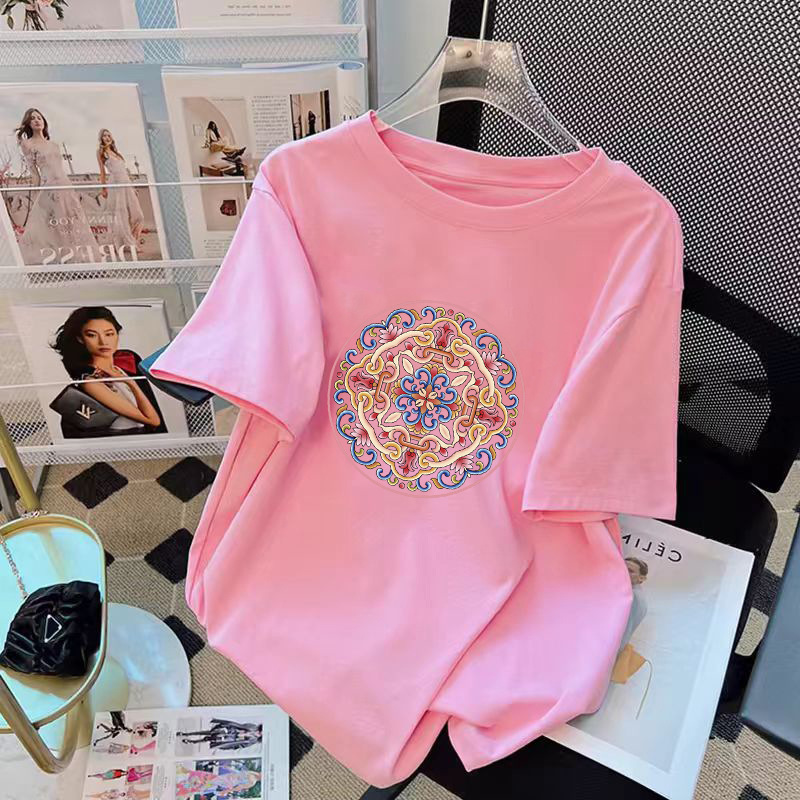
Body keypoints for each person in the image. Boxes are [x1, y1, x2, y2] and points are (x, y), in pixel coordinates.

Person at [50, 306, 166, 438]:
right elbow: (153, 421)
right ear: (80, 339)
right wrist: (130, 383)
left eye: (109, 334)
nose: (103, 341)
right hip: (124, 440)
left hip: (144, 439)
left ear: (117, 335)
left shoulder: (123, 366)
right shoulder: (91, 381)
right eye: (92, 335)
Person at [15, 107, 100, 265]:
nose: (36, 120)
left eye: (39, 117)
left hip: (65, 186)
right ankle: (66, 261)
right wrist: (35, 196)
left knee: (73, 222)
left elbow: (60, 168)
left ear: (44, 121)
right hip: (50, 188)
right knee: (58, 224)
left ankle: (78, 259)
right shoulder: (27, 144)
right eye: (32, 118)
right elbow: (34, 174)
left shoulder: (54, 145)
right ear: (28, 123)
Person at [97, 128, 145, 253]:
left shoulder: (116, 153)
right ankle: (130, 244)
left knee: (138, 216)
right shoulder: (101, 152)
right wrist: (103, 188)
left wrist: (132, 187)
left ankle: (133, 240)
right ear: (101, 139)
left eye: (109, 135)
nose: (107, 138)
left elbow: (124, 172)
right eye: (104, 136)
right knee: (121, 216)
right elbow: (102, 173)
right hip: (115, 184)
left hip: (126, 184)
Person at [175, 765, 260, 798]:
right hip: (225, 777)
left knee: (204, 783)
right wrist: (229, 768)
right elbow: (238, 772)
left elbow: (239, 787)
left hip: (225, 783)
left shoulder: (252, 782)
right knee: (204, 777)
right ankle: (184, 778)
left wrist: (226, 791)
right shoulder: (252, 773)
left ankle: (184, 788)